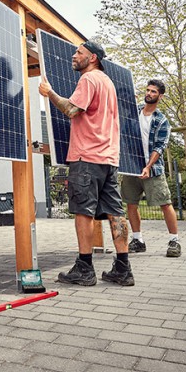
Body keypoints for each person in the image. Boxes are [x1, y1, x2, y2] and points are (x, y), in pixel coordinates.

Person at [38, 40, 134, 286]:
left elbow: (71, 110)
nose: (73, 55)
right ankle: (123, 268)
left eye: (79, 52)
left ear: (92, 58)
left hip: (87, 158)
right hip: (108, 158)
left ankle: (84, 268)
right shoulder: (108, 83)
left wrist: (49, 93)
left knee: (83, 212)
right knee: (116, 212)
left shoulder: (89, 80)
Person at [121, 79, 180, 257]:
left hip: (152, 169)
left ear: (160, 96)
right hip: (132, 166)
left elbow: (159, 147)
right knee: (131, 204)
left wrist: (148, 167)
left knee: (165, 203)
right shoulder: (135, 111)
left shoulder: (162, 121)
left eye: (153, 92)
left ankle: (174, 241)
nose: (149, 93)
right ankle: (138, 240)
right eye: (147, 90)